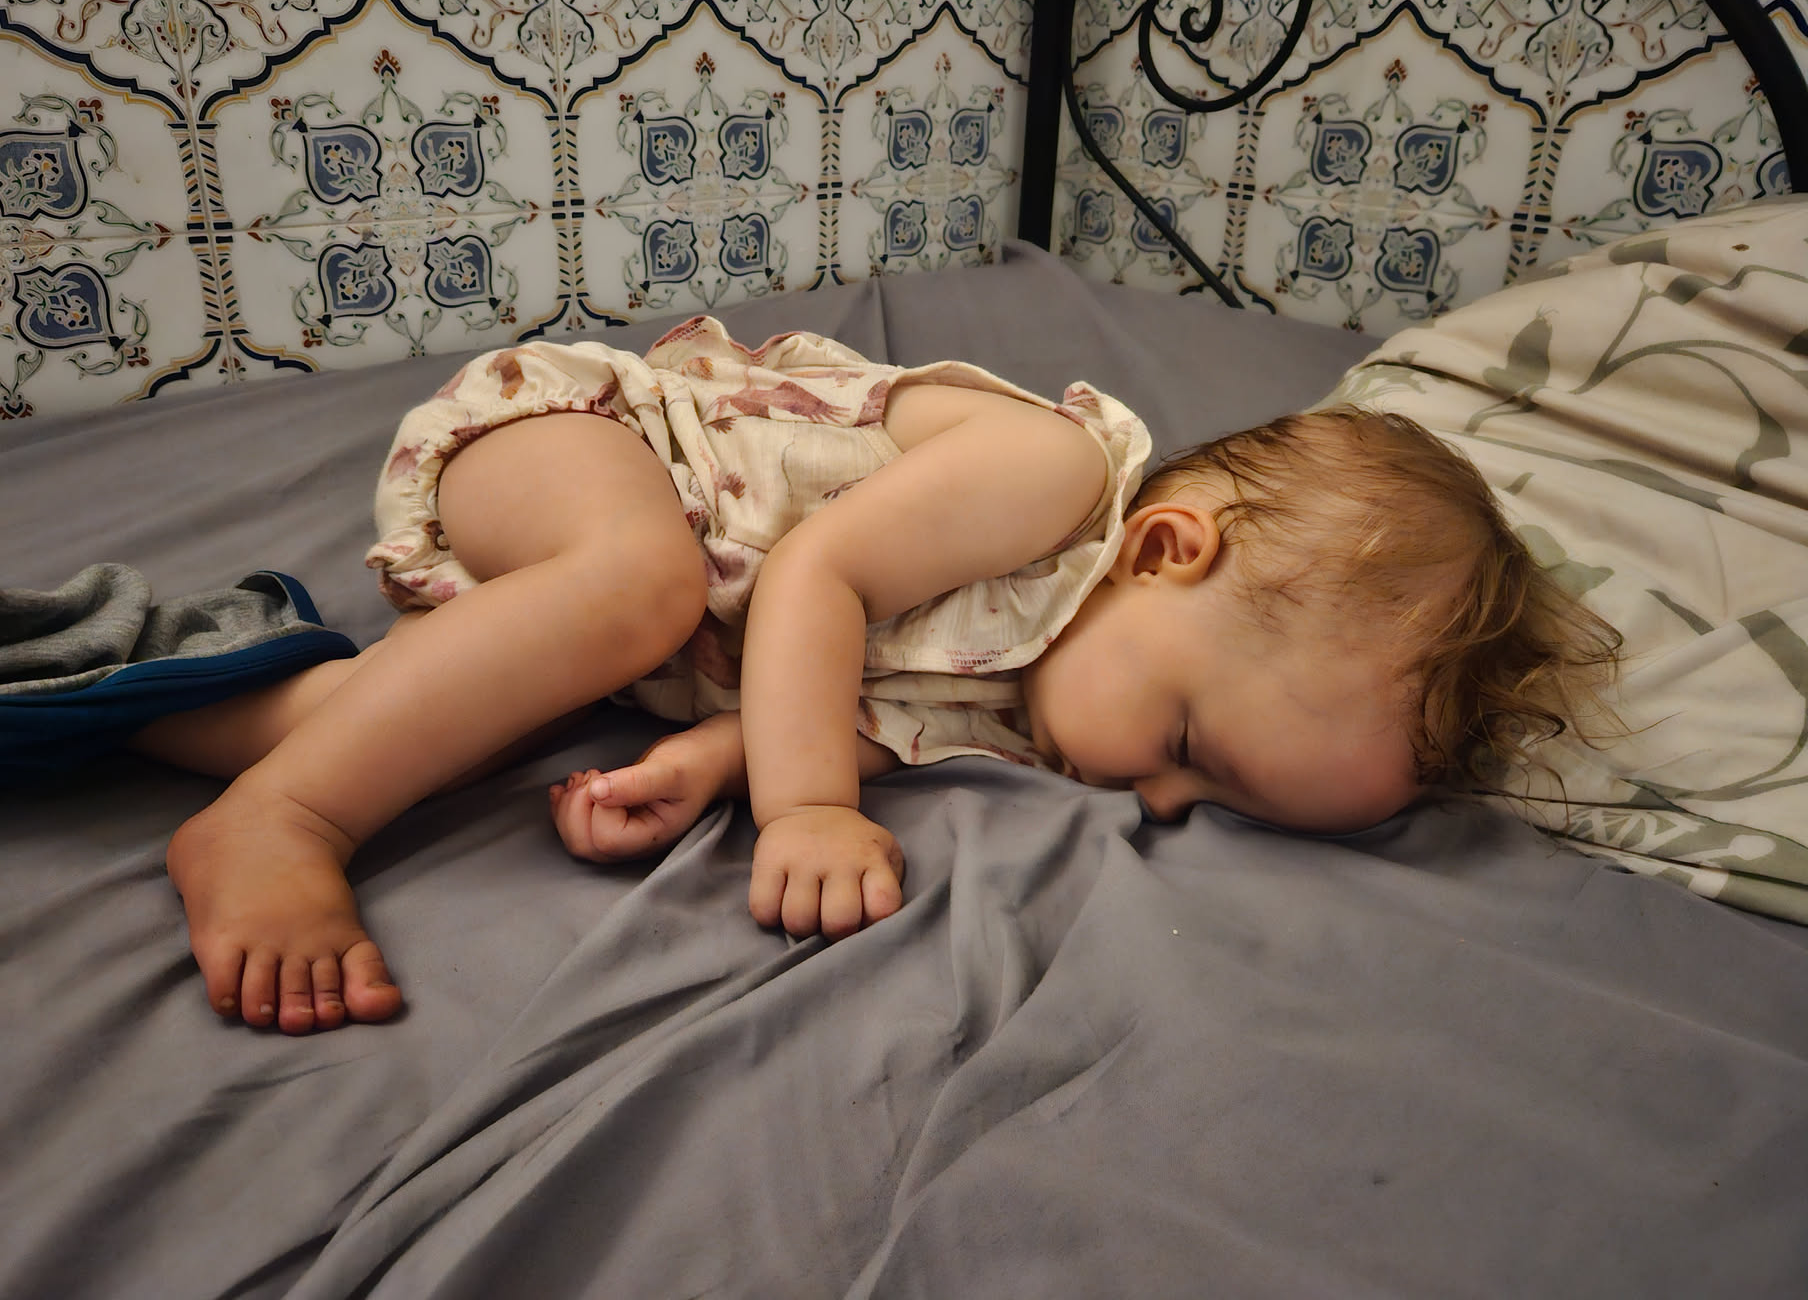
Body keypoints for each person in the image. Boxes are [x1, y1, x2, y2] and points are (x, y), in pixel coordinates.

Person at [136, 316, 1618, 1036]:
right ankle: (281, 824)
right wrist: (800, 812)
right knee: (634, 588)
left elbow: (859, 713)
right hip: (592, 449)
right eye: (1189, 743)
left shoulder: (1044, 704)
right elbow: (815, 583)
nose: (1156, 800)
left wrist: (715, 762)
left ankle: (135, 709)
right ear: (1166, 550)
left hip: (626, 634)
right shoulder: (1046, 480)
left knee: (454, 718)